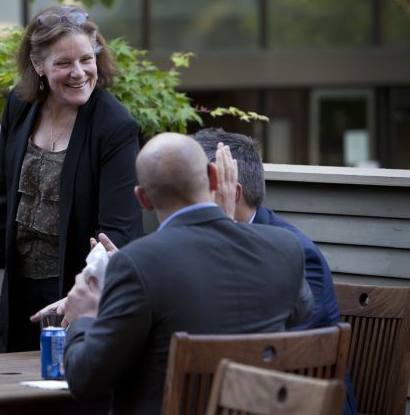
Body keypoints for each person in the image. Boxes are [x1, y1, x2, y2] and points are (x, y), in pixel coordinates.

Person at [63, 133, 312, 414]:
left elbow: (86, 382)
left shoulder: (138, 263)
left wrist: (84, 317)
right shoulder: (283, 248)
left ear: (143, 198)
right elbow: (300, 314)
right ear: (214, 178)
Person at [0, 5, 144, 352]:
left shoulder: (115, 126)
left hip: (78, 292)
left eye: (86, 60)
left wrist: (79, 298)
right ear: (38, 65)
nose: (79, 73)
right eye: (63, 63)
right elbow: (4, 198)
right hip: (20, 288)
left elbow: (117, 232)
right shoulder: (20, 105)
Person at [193, 127, 357, 415]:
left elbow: (283, 353)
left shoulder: (296, 253)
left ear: (231, 192)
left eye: (194, 187)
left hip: (300, 400)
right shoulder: (202, 240)